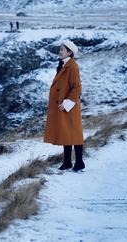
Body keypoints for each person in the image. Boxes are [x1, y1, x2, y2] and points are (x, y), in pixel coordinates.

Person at [43, 39, 85, 172]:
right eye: (60, 49)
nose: (59, 51)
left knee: (74, 134)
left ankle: (79, 162)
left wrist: (68, 102)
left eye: (62, 49)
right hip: (64, 105)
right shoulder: (63, 64)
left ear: (69, 52)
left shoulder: (72, 66)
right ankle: (67, 162)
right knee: (66, 134)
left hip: (69, 106)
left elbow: (77, 87)